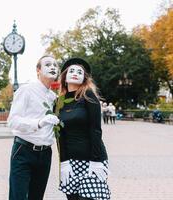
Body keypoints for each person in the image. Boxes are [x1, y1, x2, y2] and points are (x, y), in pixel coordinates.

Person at [7, 55, 60, 200]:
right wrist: (38, 123)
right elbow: (13, 121)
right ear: (38, 70)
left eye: (55, 65)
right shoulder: (26, 91)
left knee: (36, 197)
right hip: (23, 150)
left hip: (45, 154)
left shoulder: (54, 97)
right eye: (48, 64)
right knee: (18, 197)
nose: (53, 67)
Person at [58, 58, 110, 200]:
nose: (75, 73)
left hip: (91, 160)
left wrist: (96, 160)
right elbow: (60, 136)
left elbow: (95, 130)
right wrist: (64, 162)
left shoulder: (88, 96)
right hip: (71, 163)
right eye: (72, 71)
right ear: (65, 76)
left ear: (84, 78)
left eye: (80, 72)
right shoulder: (59, 102)